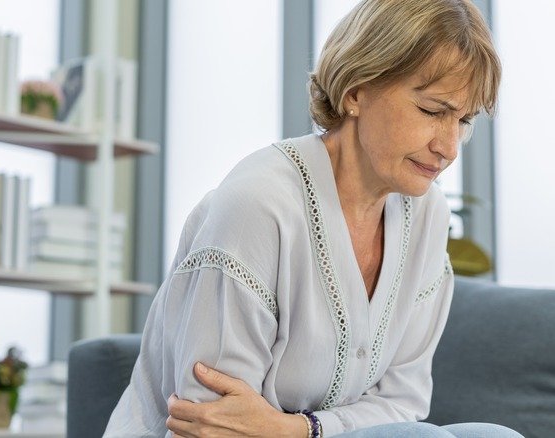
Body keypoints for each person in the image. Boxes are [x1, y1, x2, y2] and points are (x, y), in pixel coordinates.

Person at [105, 0, 521, 436]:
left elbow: (403, 401)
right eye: (433, 111)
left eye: (465, 120)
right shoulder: (259, 204)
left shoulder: (428, 215)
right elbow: (212, 423)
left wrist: (299, 430)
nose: (450, 147)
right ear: (356, 91)